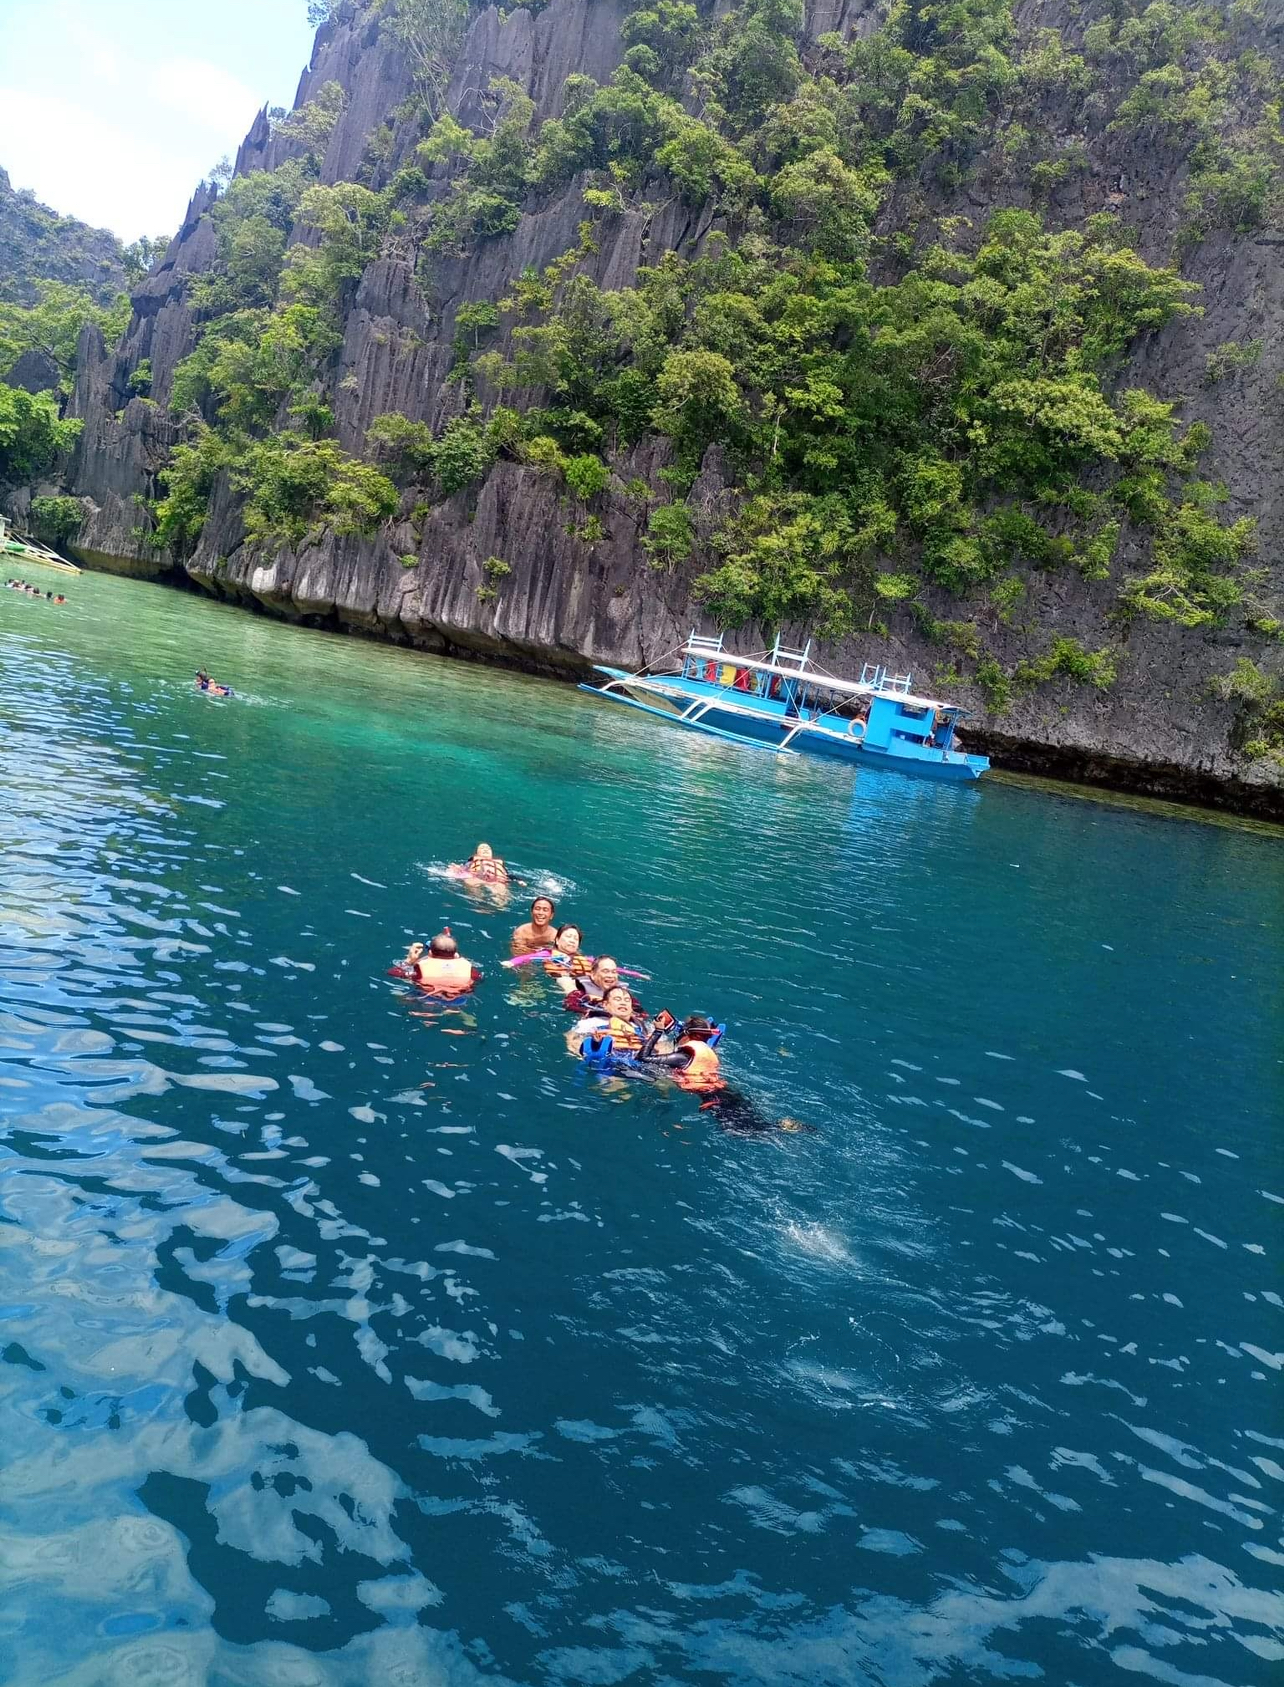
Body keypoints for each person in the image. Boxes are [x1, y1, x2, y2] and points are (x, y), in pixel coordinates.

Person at [411, 930, 479, 994]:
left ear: (430, 953)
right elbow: (478, 979)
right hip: (457, 999)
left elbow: (402, 974)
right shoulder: (468, 968)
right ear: (455, 954)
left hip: (429, 996)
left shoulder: (421, 967)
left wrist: (409, 961)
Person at [543, 923, 592, 994]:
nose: (572, 941)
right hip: (562, 979)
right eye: (568, 936)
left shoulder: (584, 959)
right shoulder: (546, 955)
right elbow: (523, 959)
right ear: (557, 940)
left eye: (576, 939)